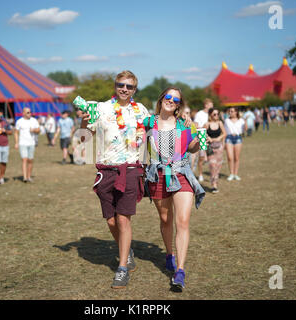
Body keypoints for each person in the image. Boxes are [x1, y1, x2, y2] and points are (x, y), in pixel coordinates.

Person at [80, 70, 150, 289]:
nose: (125, 89)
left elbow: (152, 134)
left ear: (135, 89)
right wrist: (83, 123)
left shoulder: (141, 111)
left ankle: (122, 268)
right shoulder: (101, 108)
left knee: (123, 219)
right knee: (110, 220)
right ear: (115, 86)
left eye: (129, 86)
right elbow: (85, 135)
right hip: (106, 169)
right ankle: (126, 249)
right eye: (121, 85)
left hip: (130, 168)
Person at [143, 87, 205, 290]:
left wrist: (195, 137)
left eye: (175, 99)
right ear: (161, 99)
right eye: (168, 97)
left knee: (183, 221)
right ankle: (168, 254)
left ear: (178, 105)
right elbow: (134, 140)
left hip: (181, 173)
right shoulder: (148, 122)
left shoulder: (185, 124)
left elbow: (194, 147)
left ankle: (180, 270)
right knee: (165, 218)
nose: (171, 100)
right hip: (158, 175)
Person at [203, 108, 226, 193]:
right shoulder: (207, 124)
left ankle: (215, 182)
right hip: (210, 148)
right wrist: (207, 137)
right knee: (212, 166)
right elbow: (201, 134)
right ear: (210, 115)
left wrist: (218, 138)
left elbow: (224, 133)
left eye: (217, 114)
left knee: (218, 167)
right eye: (214, 114)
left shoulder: (220, 123)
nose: (216, 116)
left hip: (219, 147)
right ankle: (214, 185)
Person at [15, 107, 40, 183]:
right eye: (28, 112)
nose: (30, 114)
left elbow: (38, 130)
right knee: (24, 159)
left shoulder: (34, 121)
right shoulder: (19, 121)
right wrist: (16, 142)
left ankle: (29, 176)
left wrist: (34, 130)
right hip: (23, 143)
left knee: (30, 160)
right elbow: (16, 132)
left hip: (31, 143)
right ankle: (25, 177)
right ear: (23, 113)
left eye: (30, 112)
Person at [194, 98, 213, 182]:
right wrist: (203, 127)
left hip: (211, 137)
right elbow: (195, 126)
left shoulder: (212, 114)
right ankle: (201, 174)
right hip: (202, 136)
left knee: (212, 158)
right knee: (201, 158)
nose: (212, 107)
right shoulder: (199, 114)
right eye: (210, 105)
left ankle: (213, 175)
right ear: (206, 105)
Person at [224, 107, 246, 181]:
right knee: (230, 158)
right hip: (229, 138)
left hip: (238, 138)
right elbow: (224, 131)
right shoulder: (226, 120)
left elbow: (245, 130)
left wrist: (245, 121)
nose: (230, 112)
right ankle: (231, 174)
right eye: (230, 111)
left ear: (236, 112)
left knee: (236, 158)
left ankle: (236, 174)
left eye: (232, 111)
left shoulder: (241, 120)